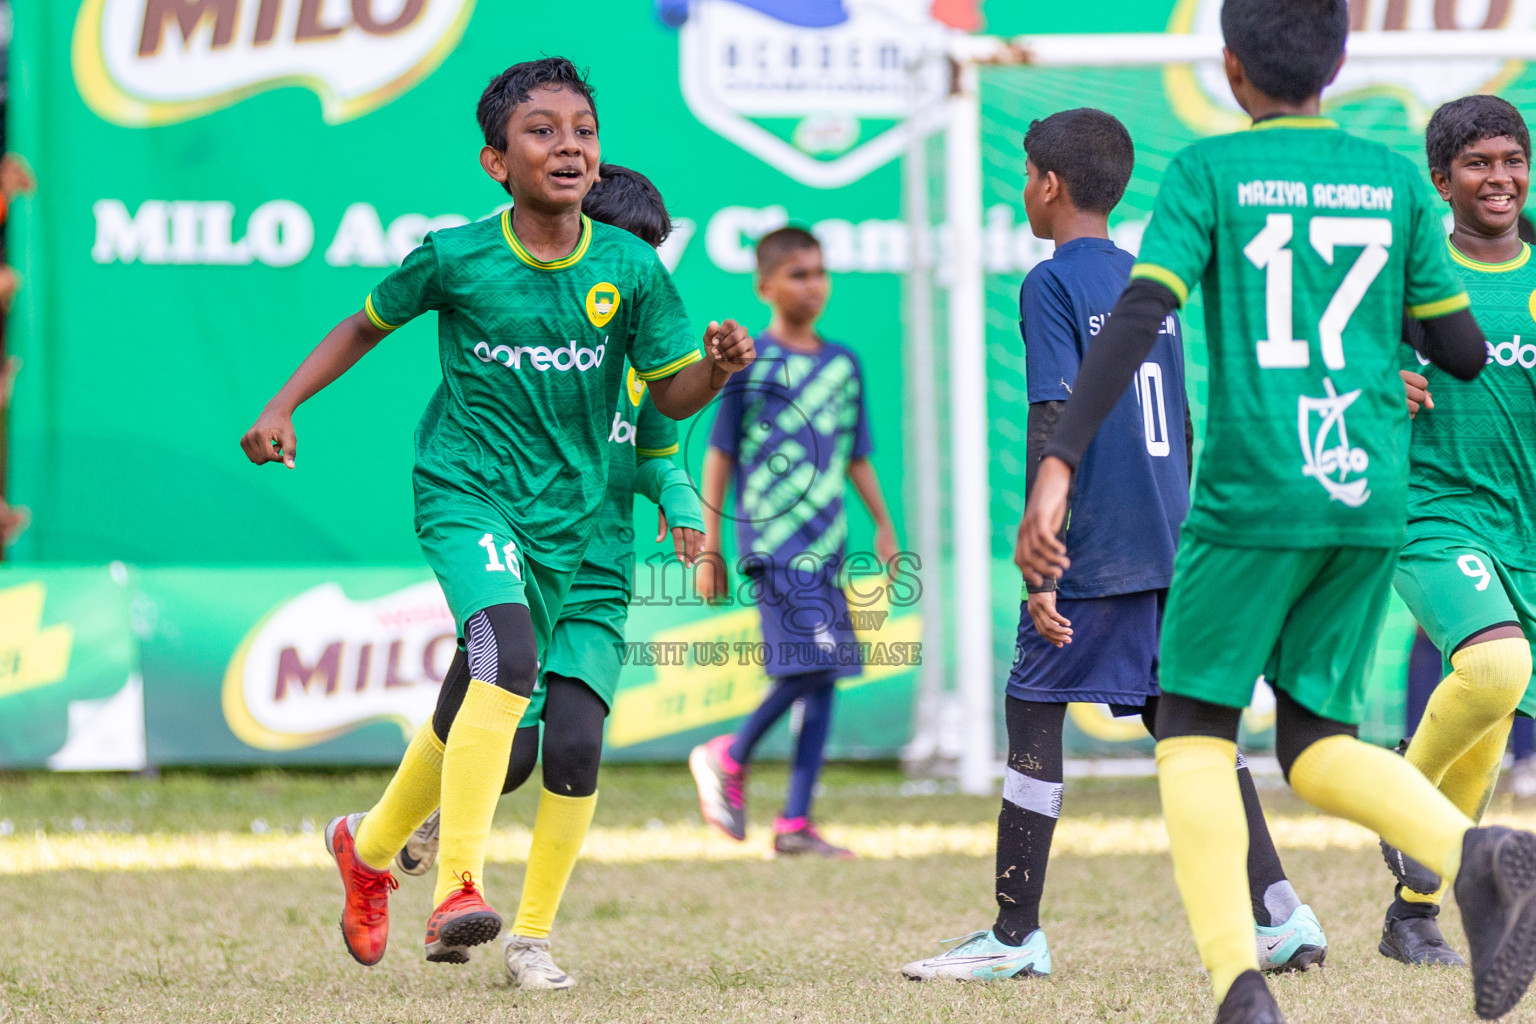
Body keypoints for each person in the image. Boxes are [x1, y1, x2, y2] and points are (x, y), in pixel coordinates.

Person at [1014, 2, 1536, 1020]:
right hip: (1369, 499)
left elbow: (1141, 311)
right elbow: (1465, 349)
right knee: (1313, 738)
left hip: (1255, 492)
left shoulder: (1208, 172)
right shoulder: (1393, 179)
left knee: (1197, 730)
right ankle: (1470, 853)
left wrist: (1061, 459)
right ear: (1339, 62)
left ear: (1232, 67)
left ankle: (1239, 987)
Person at [240, 58, 754, 969]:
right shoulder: (457, 255)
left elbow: (666, 411)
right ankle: (458, 891)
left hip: (569, 526)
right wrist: (284, 406)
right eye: (543, 130)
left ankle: (366, 852)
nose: (568, 145)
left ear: (600, 158)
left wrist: (714, 370)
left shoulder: (630, 271)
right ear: (495, 161)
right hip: (465, 492)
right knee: (506, 661)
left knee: (497, 717)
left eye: (584, 131)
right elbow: (364, 324)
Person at [899, 108, 1324, 983]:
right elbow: (1183, 421)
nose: (1024, 189)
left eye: (1024, 174)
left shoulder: (1050, 283)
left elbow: (1055, 414)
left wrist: (1042, 549)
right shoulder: (1147, 281)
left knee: (1032, 706)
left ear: (1048, 185)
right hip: (1172, 538)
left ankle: (1014, 938)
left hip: (1097, 540)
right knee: (1190, 729)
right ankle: (1281, 914)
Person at [391, 164, 707, 990]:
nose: (633, 278)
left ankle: (530, 940)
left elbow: (656, 457)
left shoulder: (645, 355)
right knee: (511, 753)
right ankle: (398, 833)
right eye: (627, 253)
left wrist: (682, 504)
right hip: (527, 561)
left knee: (573, 749)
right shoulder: (531, 342)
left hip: (599, 577)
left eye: (650, 258)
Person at [1374, 94, 1536, 968]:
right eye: (1478, 163)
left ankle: (1414, 912)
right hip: (1432, 512)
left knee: (1497, 706)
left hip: (1524, 523)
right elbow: (1333, 360)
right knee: (1496, 665)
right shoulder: (1412, 271)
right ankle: (1404, 792)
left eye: (1512, 159)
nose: (1499, 177)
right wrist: (1377, 382)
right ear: (1442, 180)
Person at [688, 226, 899, 857]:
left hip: (826, 545)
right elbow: (720, 453)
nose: (814, 285)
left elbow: (855, 453)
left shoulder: (843, 364)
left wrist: (883, 523)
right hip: (774, 545)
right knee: (819, 663)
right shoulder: (749, 365)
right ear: (765, 286)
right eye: (799, 274)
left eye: (820, 272)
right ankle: (729, 752)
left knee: (826, 673)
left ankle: (795, 823)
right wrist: (711, 544)